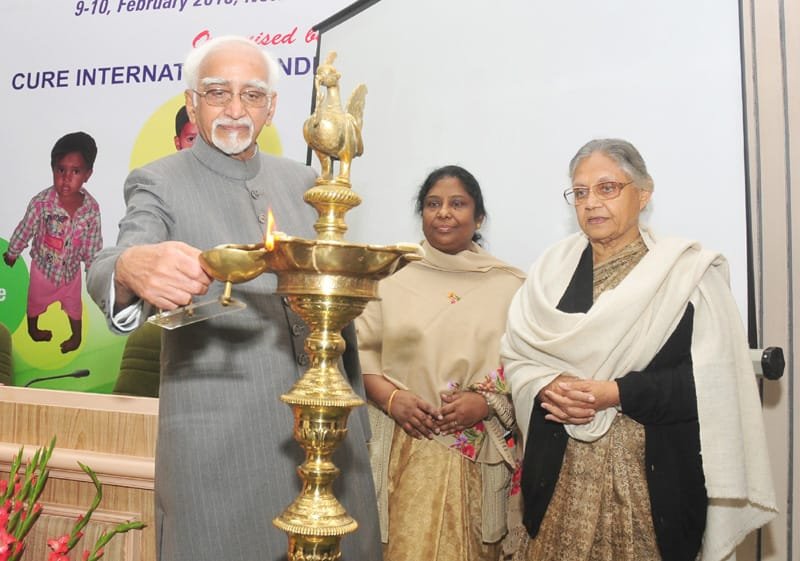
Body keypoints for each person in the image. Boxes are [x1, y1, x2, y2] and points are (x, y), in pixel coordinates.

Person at [86, 36, 382, 561]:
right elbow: (119, 258)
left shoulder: (306, 182)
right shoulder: (159, 182)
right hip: (221, 449)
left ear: (271, 108)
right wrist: (130, 269)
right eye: (218, 93)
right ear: (192, 103)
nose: (234, 109)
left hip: (330, 445)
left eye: (251, 95)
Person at [501, 139, 777, 561]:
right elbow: (519, 357)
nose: (591, 202)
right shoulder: (549, 275)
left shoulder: (686, 275)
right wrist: (545, 385)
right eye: (580, 192)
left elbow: (709, 384)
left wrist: (616, 393)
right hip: (559, 479)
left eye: (607, 187)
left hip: (652, 487)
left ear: (643, 194)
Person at [355, 165, 526, 561]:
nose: (444, 213)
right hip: (403, 444)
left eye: (457, 204)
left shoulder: (510, 286)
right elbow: (361, 352)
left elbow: (527, 368)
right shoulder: (389, 275)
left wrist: (485, 404)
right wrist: (393, 399)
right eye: (433, 204)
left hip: (476, 449)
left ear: (478, 216)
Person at [3, 131, 101, 354]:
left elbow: (92, 244)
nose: (66, 178)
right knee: (35, 303)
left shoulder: (91, 209)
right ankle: (33, 330)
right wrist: (12, 251)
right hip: (43, 272)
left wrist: (93, 270)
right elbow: (25, 228)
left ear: (88, 174)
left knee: (75, 308)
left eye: (75, 171)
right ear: (52, 169)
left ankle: (75, 336)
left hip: (71, 275)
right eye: (61, 170)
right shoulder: (42, 203)